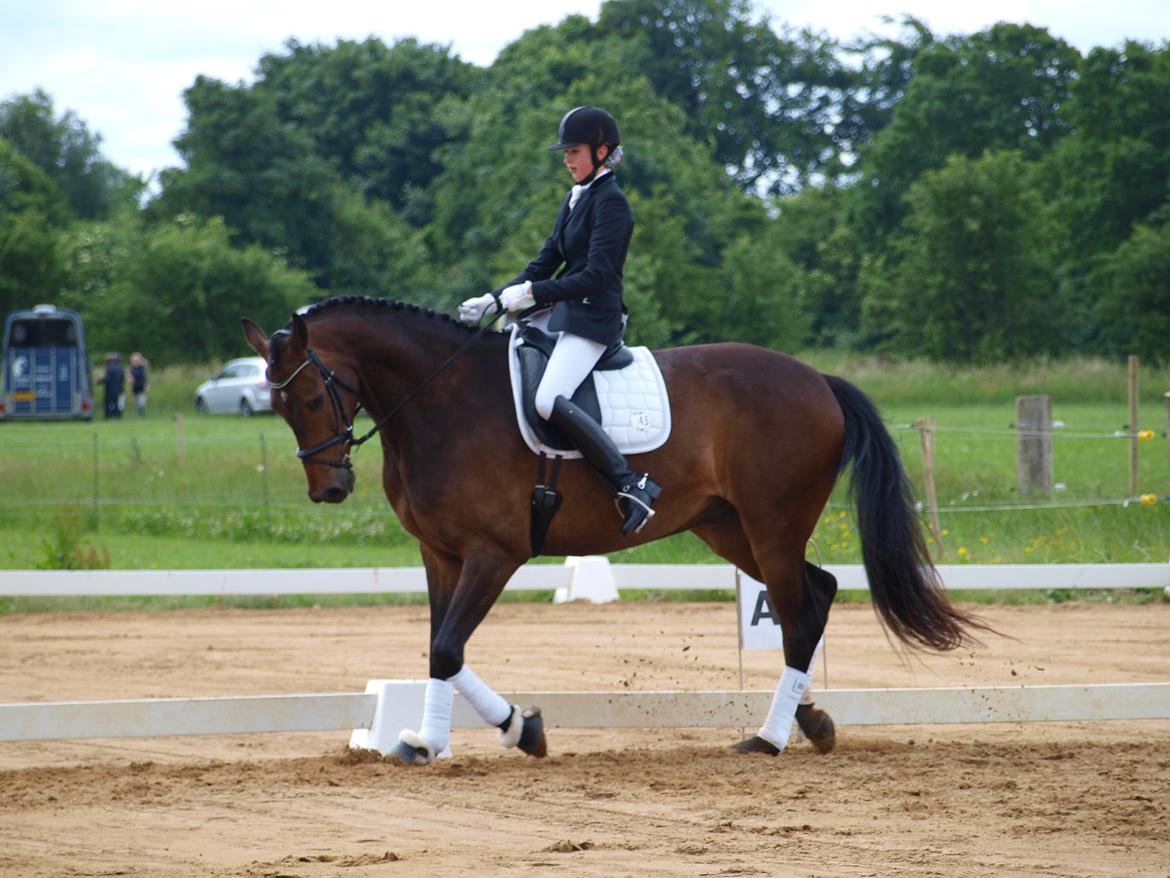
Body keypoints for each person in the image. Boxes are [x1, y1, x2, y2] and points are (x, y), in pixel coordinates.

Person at [459, 106, 661, 536]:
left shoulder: (613, 204)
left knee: (548, 400)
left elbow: (597, 275)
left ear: (601, 151)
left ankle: (632, 483)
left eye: (574, 151)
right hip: (565, 313)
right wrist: (495, 298)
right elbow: (547, 259)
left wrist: (533, 293)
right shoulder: (576, 197)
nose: (567, 159)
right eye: (565, 152)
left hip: (595, 319)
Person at [102, 353, 124, 419]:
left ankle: (109, 415)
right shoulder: (121, 368)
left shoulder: (110, 368)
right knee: (118, 404)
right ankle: (118, 416)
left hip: (110, 390)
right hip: (119, 389)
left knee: (109, 403)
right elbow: (122, 379)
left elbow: (107, 379)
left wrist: (98, 381)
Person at [129, 352, 150, 418]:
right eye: (134, 360)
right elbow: (130, 378)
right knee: (137, 405)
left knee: (142, 404)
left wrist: (147, 388)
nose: (135, 362)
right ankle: (139, 418)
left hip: (142, 389)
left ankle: (142, 416)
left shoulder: (143, 368)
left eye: (136, 360)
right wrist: (130, 380)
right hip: (135, 389)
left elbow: (146, 379)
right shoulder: (132, 369)